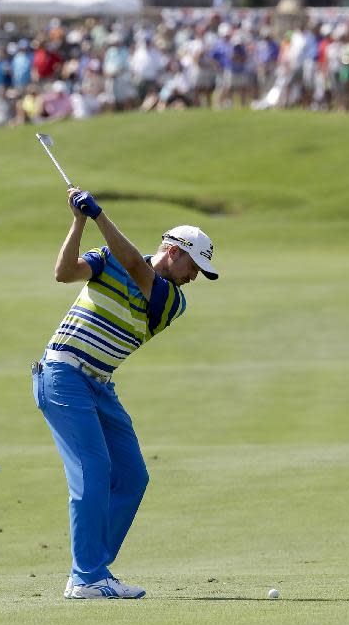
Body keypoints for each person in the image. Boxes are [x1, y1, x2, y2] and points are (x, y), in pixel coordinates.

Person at [33, 186, 219, 599]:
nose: (194, 278)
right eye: (194, 266)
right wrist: (79, 221)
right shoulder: (108, 258)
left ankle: (92, 569)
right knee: (94, 472)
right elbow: (64, 273)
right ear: (174, 250)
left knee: (133, 476)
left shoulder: (171, 301)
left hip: (99, 385)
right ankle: (87, 578)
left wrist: (99, 215)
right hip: (63, 374)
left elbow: (136, 264)